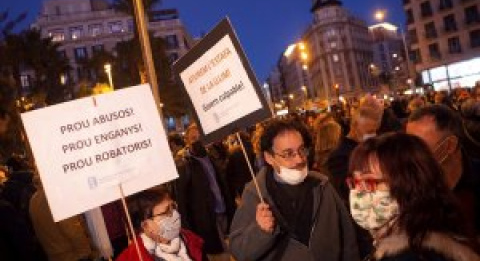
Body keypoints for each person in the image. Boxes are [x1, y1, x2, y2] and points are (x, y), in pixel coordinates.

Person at [229, 118, 359, 261]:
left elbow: (348, 238)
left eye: (301, 150)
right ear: (269, 157)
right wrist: (260, 231)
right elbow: (239, 251)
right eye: (288, 154)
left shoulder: (323, 185)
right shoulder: (255, 193)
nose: (299, 160)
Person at [347, 132, 480, 260]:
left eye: (370, 181)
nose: (358, 192)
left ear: (408, 184)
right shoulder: (433, 238)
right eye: (355, 182)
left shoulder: (413, 254)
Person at [406, 104, 480, 237]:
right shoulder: (409, 188)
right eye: (409, 145)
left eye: (420, 147)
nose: (412, 155)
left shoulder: (475, 179)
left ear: (450, 145)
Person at [174, 123, 235, 261]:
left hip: (224, 212)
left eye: (200, 137)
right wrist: (187, 227)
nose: (197, 141)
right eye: (194, 138)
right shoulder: (184, 165)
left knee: (230, 247)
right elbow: (182, 200)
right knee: (221, 254)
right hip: (206, 218)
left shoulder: (212, 156)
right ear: (188, 141)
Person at [116, 187, 203, 261]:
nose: (175, 214)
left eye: (173, 207)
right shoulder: (132, 257)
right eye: (166, 212)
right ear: (146, 225)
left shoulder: (189, 238)